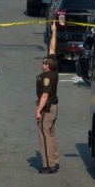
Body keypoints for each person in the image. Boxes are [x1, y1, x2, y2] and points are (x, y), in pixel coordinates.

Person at [36, 22, 59, 174]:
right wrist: (54, 31)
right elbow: (52, 48)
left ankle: (48, 164)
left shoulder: (47, 78)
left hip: (47, 108)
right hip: (54, 107)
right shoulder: (54, 68)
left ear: (47, 66)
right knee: (50, 133)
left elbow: (44, 95)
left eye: (44, 62)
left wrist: (38, 111)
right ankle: (54, 160)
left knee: (44, 135)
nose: (42, 63)